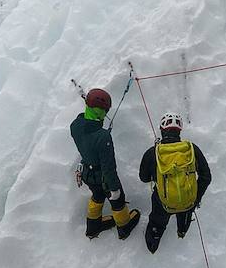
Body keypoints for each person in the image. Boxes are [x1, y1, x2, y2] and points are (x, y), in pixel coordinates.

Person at [70, 88, 141, 240]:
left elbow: (85, 125)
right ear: (101, 111)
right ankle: (124, 227)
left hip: (87, 174)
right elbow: (109, 168)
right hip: (103, 177)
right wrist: (114, 189)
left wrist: (98, 125)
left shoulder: (75, 125)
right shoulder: (103, 137)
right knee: (117, 202)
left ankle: (93, 227)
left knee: (97, 196)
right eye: (105, 110)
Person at [138, 113, 212, 253]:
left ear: (162, 129)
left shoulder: (153, 152)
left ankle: (153, 241)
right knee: (185, 211)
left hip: (162, 201)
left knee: (158, 220)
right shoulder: (191, 149)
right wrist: (196, 197)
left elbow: (144, 178)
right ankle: (181, 231)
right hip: (188, 199)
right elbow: (206, 177)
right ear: (180, 130)